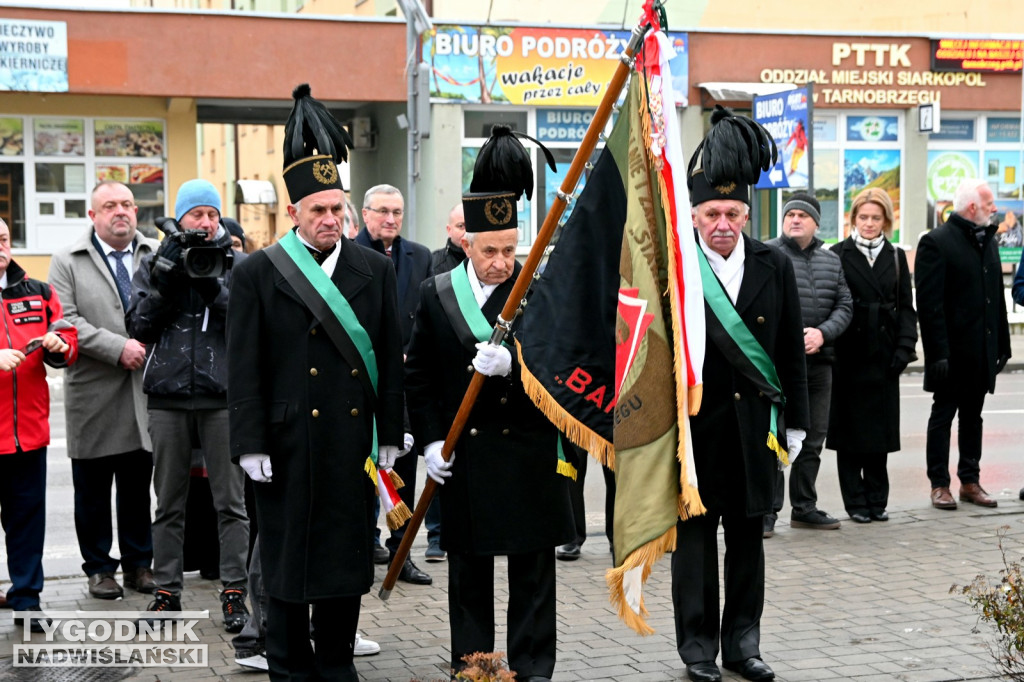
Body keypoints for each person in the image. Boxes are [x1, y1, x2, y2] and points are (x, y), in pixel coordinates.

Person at [227, 83, 404, 681]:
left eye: (337, 208)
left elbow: (389, 354)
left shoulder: (374, 270)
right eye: (318, 211)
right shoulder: (256, 272)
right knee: (283, 565)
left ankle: (336, 665)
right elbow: (243, 363)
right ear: (293, 213)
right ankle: (287, 668)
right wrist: (248, 441)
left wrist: (391, 433)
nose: (330, 220)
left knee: (342, 562)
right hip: (283, 445)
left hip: (349, 446)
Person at [404, 124, 575, 681]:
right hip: (467, 459)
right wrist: (430, 439)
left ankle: (532, 666)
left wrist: (518, 366)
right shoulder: (436, 293)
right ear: (466, 244)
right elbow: (420, 373)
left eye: (509, 250)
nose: (501, 262)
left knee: (532, 571)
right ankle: (476, 664)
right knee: (469, 573)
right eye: (490, 251)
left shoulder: (538, 290)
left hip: (527, 452)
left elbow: (563, 370)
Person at [674, 108, 808, 682]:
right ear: (695, 215)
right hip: (696, 432)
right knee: (697, 548)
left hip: (755, 430)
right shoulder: (677, 269)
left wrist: (797, 423)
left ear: (746, 215)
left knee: (749, 544)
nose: (722, 223)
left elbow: (787, 350)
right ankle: (698, 650)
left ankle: (743, 646)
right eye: (711, 213)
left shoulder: (773, 264)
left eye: (732, 213)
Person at [127, 179, 250, 632]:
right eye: (196, 214)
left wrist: (211, 284)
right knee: (169, 503)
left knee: (231, 502)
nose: (205, 222)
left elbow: (247, 321)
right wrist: (167, 280)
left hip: (222, 397)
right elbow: (138, 326)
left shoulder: (238, 262)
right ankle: (166, 593)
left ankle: (235, 593)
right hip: (167, 398)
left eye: (211, 214)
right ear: (179, 218)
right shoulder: (154, 262)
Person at [48, 181, 158, 600]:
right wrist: (118, 347)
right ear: (92, 216)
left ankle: (139, 565)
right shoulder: (67, 260)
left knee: (136, 488)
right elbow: (64, 320)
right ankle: (98, 568)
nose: (121, 212)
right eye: (110, 205)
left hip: (144, 392)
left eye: (127, 204)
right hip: (94, 393)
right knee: (92, 492)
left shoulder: (153, 253)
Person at [1, 217, 78, 632]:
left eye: (4, 238)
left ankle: (27, 600)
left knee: (27, 523)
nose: (0, 246)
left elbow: (67, 341)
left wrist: (57, 345)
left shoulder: (39, 292)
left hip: (28, 434)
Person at [915, 178, 1010, 510]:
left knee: (974, 417)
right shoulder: (936, 242)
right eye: (989, 203)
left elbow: (994, 297)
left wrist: (1003, 345)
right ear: (973, 207)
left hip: (981, 351)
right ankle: (939, 484)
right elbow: (929, 305)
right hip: (952, 354)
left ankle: (970, 480)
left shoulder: (988, 241)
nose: (995, 209)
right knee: (943, 417)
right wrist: (937, 352)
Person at [355, 183, 434, 584]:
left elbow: (429, 311)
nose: (390, 219)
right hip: (365, 378)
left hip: (407, 377)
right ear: (365, 214)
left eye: (397, 212)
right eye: (382, 211)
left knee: (405, 462)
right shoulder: (348, 253)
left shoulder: (420, 256)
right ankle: (365, 544)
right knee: (368, 463)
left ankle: (402, 550)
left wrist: (412, 352)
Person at [828, 188, 918, 522]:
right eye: (863, 217)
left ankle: (877, 500)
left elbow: (907, 308)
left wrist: (905, 348)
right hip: (848, 355)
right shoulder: (837, 254)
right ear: (853, 219)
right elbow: (830, 302)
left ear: (886, 221)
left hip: (884, 356)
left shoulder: (895, 257)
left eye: (875, 218)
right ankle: (855, 502)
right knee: (850, 436)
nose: (868, 223)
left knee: (879, 435)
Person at [765, 193, 851, 535]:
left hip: (820, 364)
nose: (795, 220)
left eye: (803, 215)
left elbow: (845, 305)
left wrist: (822, 333)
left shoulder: (831, 261)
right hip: (778, 365)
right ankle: (767, 512)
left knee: (813, 437)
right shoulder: (767, 254)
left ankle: (804, 507)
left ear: (816, 223)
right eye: (790, 215)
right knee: (774, 436)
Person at [429, 202, 468, 274]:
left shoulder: (485, 260)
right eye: (461, 226)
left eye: (470, 226)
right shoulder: (434, 264)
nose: (466, 232)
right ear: (449, 230)